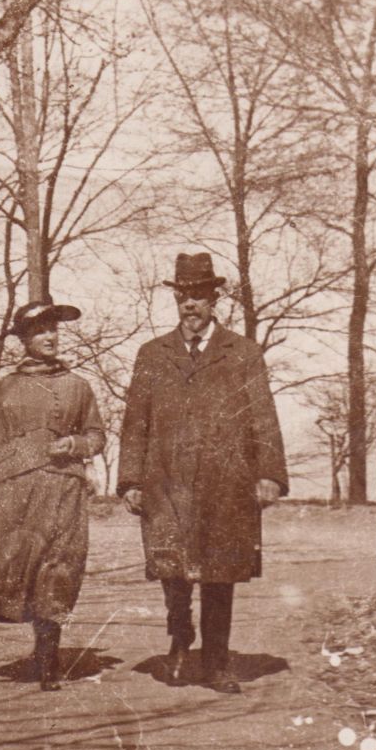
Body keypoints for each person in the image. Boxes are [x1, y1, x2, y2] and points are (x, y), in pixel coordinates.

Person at [117, 252, 288, 694]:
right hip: (166, 480)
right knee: (171, 567)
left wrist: (269, 474)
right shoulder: (152, 354)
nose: (190, 304)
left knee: (220, 572)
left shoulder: (243, 353)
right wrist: (131, 480)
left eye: (198, 295)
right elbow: (135, 422)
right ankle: (180, 637)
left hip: (224, 483)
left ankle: (216, 661)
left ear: (214, 300)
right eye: (183, 296)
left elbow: (263, 415)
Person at [0, 298, 105, 691]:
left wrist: (76, 445)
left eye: (53, 329)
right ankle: (40, 650)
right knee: (20, 570)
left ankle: (49, 660)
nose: (50, 337)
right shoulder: (6, 387)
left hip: (64, 488)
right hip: (15, 491)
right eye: (40, 331)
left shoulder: (78, 386)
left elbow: (97, 435)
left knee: (59, 569)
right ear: (24, 339)